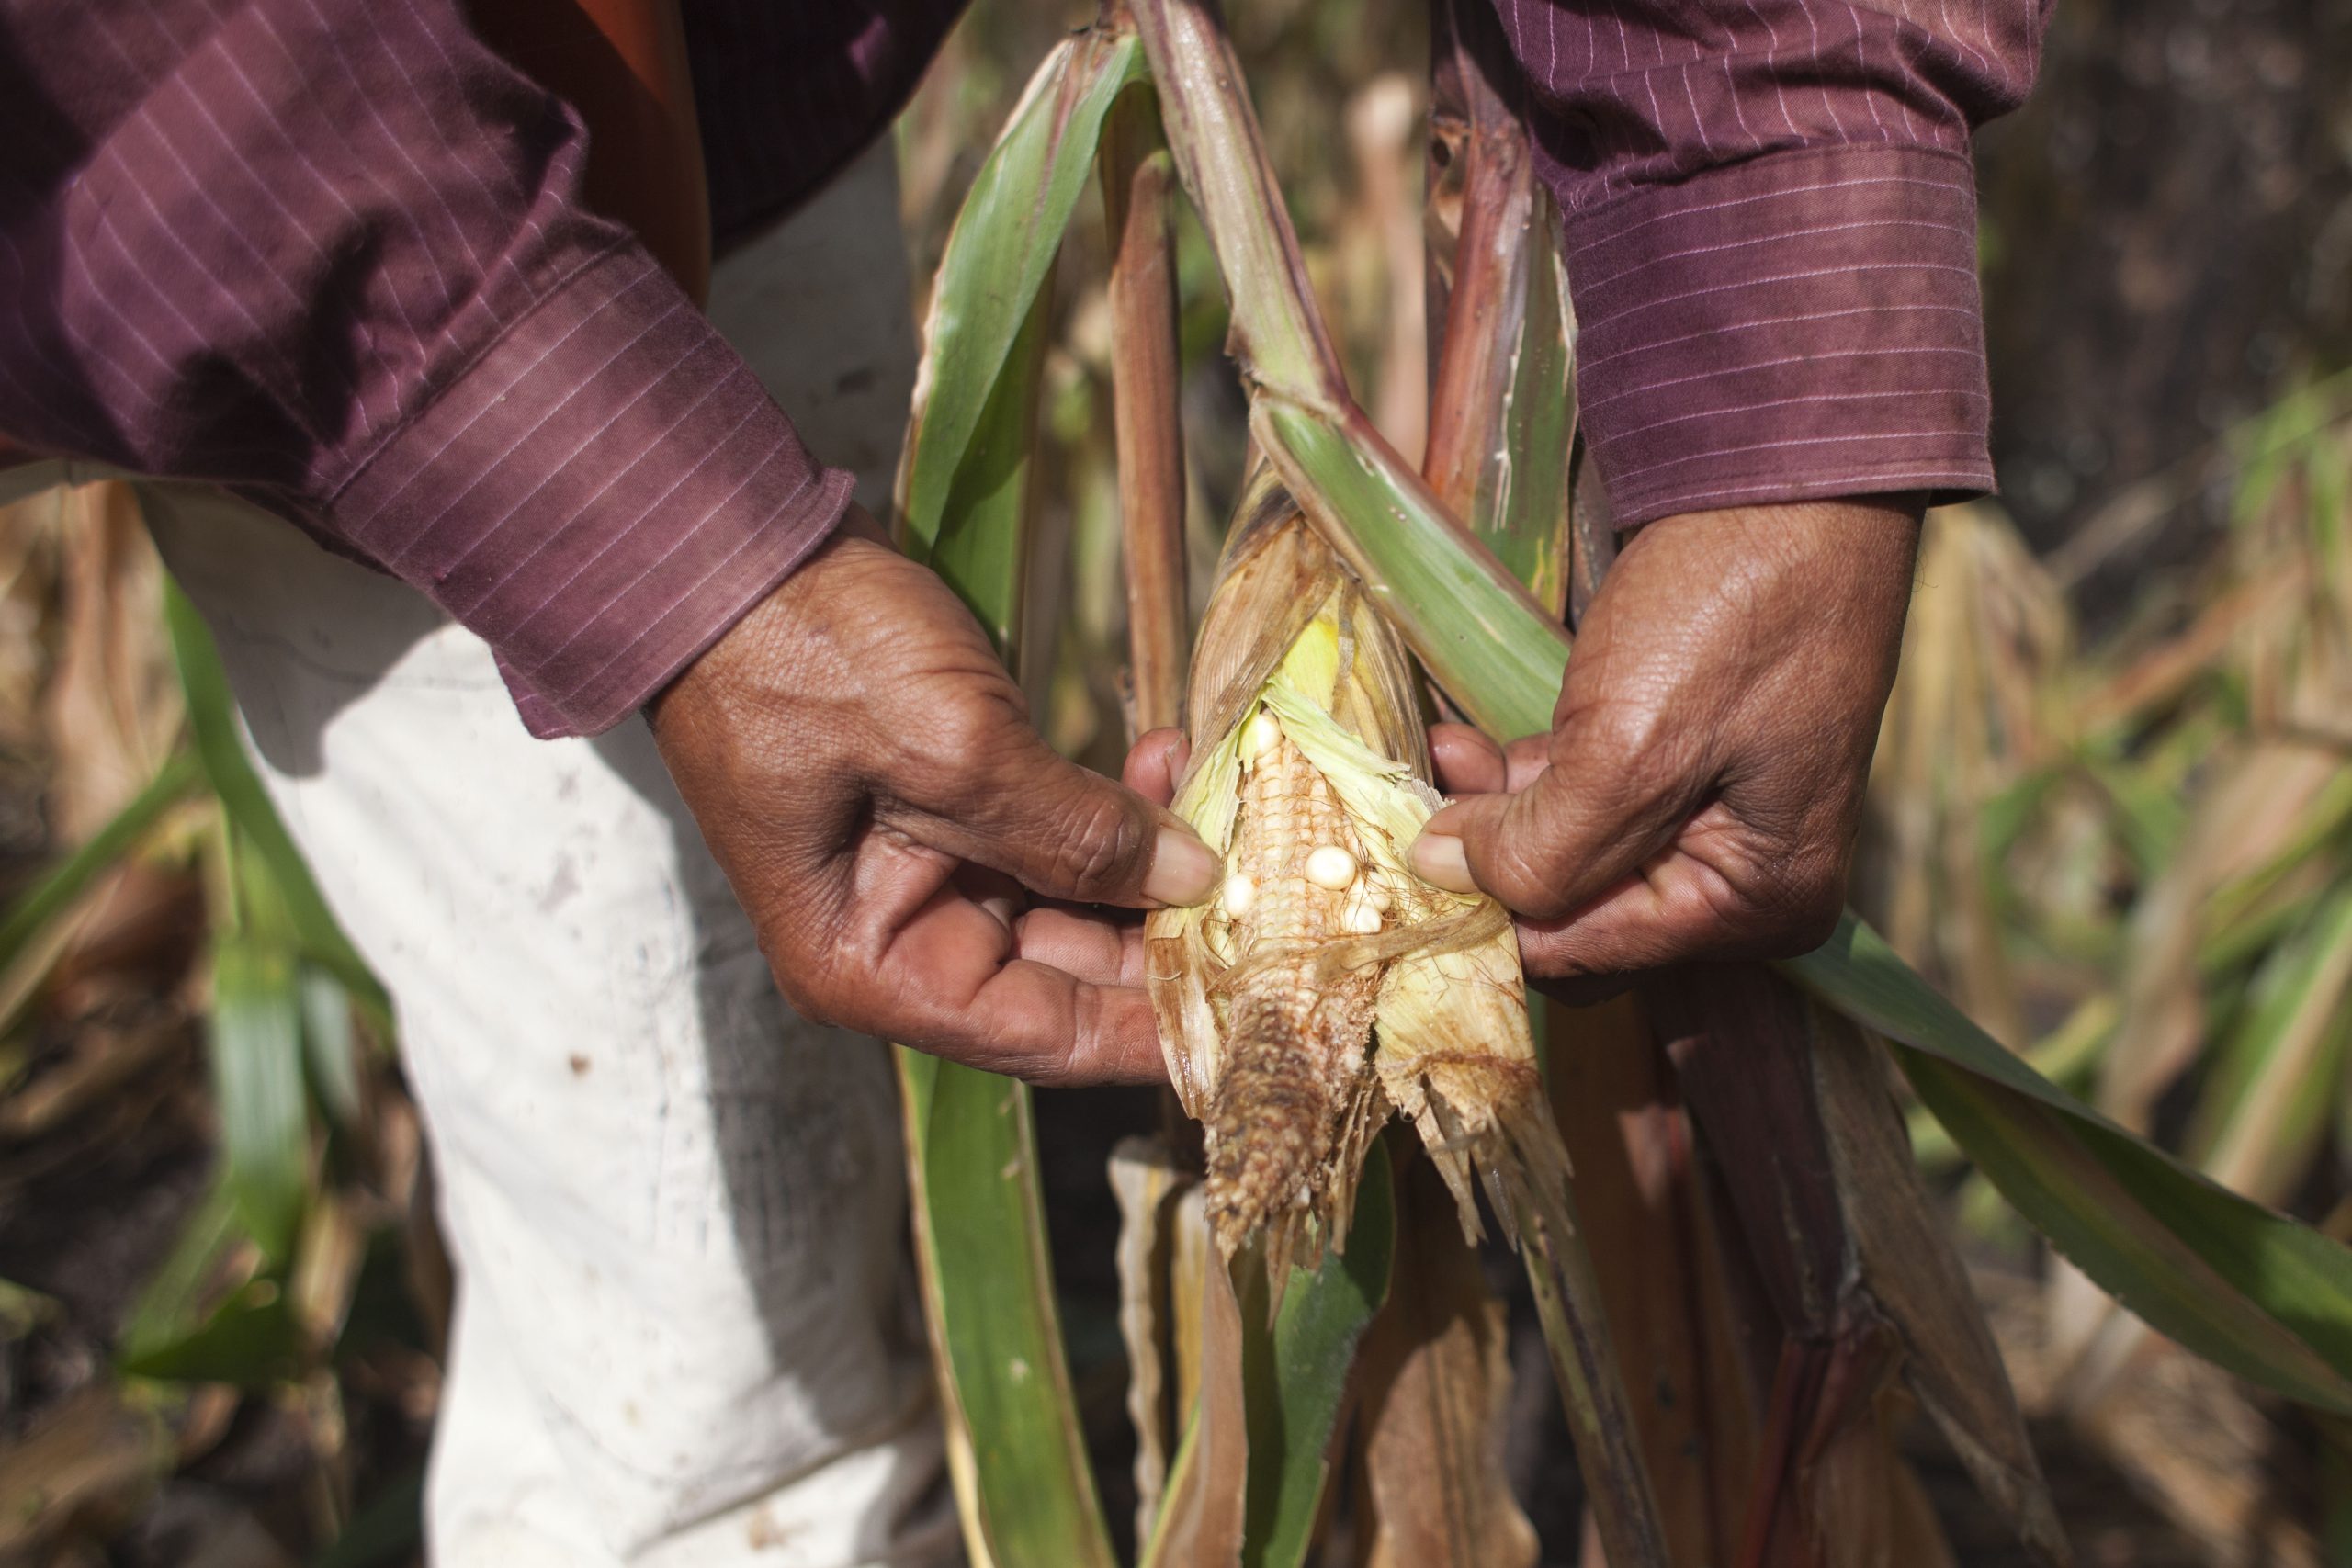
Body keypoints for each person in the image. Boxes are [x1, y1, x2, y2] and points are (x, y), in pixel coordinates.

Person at [0, 0, 2047, 1562]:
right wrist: (613, 503)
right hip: (237, 156)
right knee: (702, 1391)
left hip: (670, 95)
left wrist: (1793, 248)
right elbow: (186, 94)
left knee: (731, 1363)